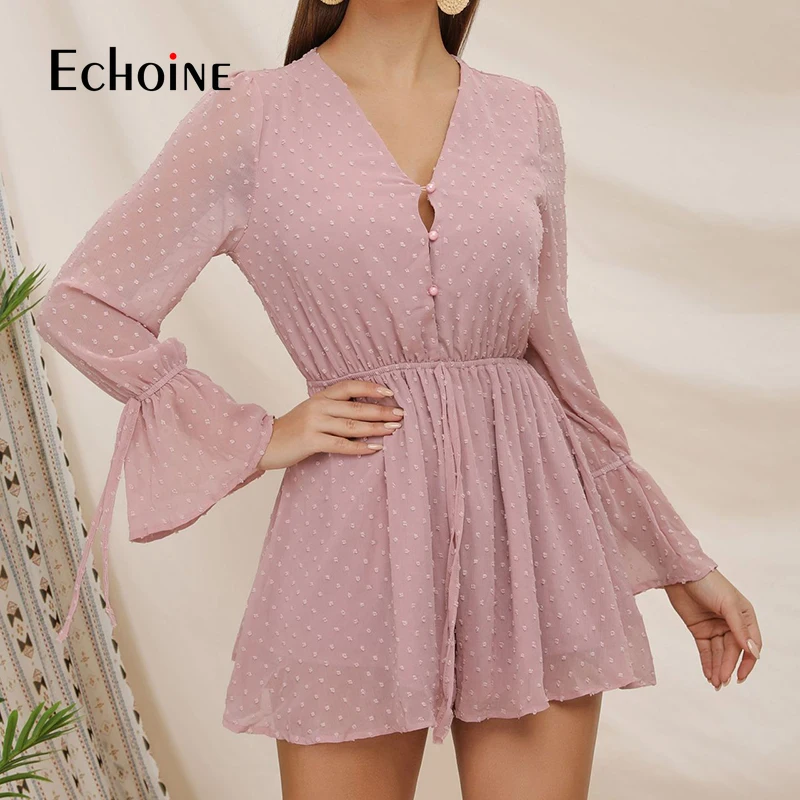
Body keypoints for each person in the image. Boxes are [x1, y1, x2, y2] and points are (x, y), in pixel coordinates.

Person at [36, 1, 762, 798]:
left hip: (531, 531)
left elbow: (557, 362)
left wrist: (678, 561)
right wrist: (260, 435)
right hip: (353, 527)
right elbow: (84, 302)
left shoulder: (525, 116)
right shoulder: (250, 116)